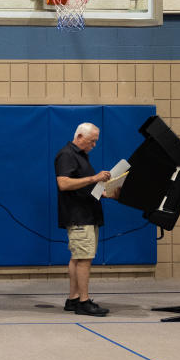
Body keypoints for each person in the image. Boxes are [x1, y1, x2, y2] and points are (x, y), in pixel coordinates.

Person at [54, 122, 113, 317]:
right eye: (92, 141)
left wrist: (106, 193)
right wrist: (94, 178)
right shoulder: (67, 155)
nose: (94, 145)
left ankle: (73, 298)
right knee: (84, 259)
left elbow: (83, 186)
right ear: (79, 137)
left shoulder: (81, 157)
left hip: (86, 213)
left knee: (78, 258)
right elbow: (63, 183)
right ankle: (84, 302)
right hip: (79, 215)